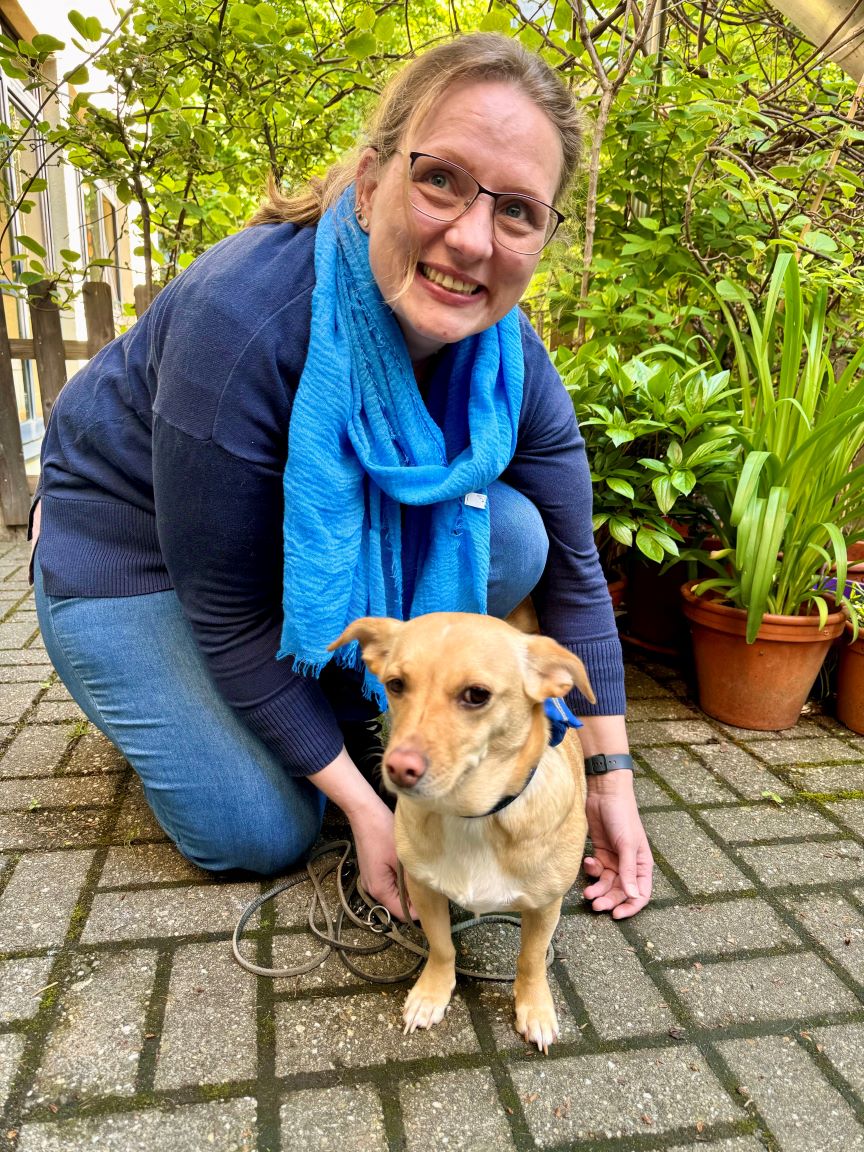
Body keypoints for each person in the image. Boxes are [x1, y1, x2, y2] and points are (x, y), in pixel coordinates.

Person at [31, 32, 652, 922]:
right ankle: (168, 700)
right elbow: (227, 606)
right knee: (262, 829)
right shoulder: (242, 320)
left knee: (519, 537)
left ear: (543, 234)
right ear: (370, 184)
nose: (473, 239)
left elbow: (573, 574)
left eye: (517, 210)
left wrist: (608, 784)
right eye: (440, 178)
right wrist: (373, 812)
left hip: (287, 550)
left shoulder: (511, 361)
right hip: (133, 557)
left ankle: (304, 703)